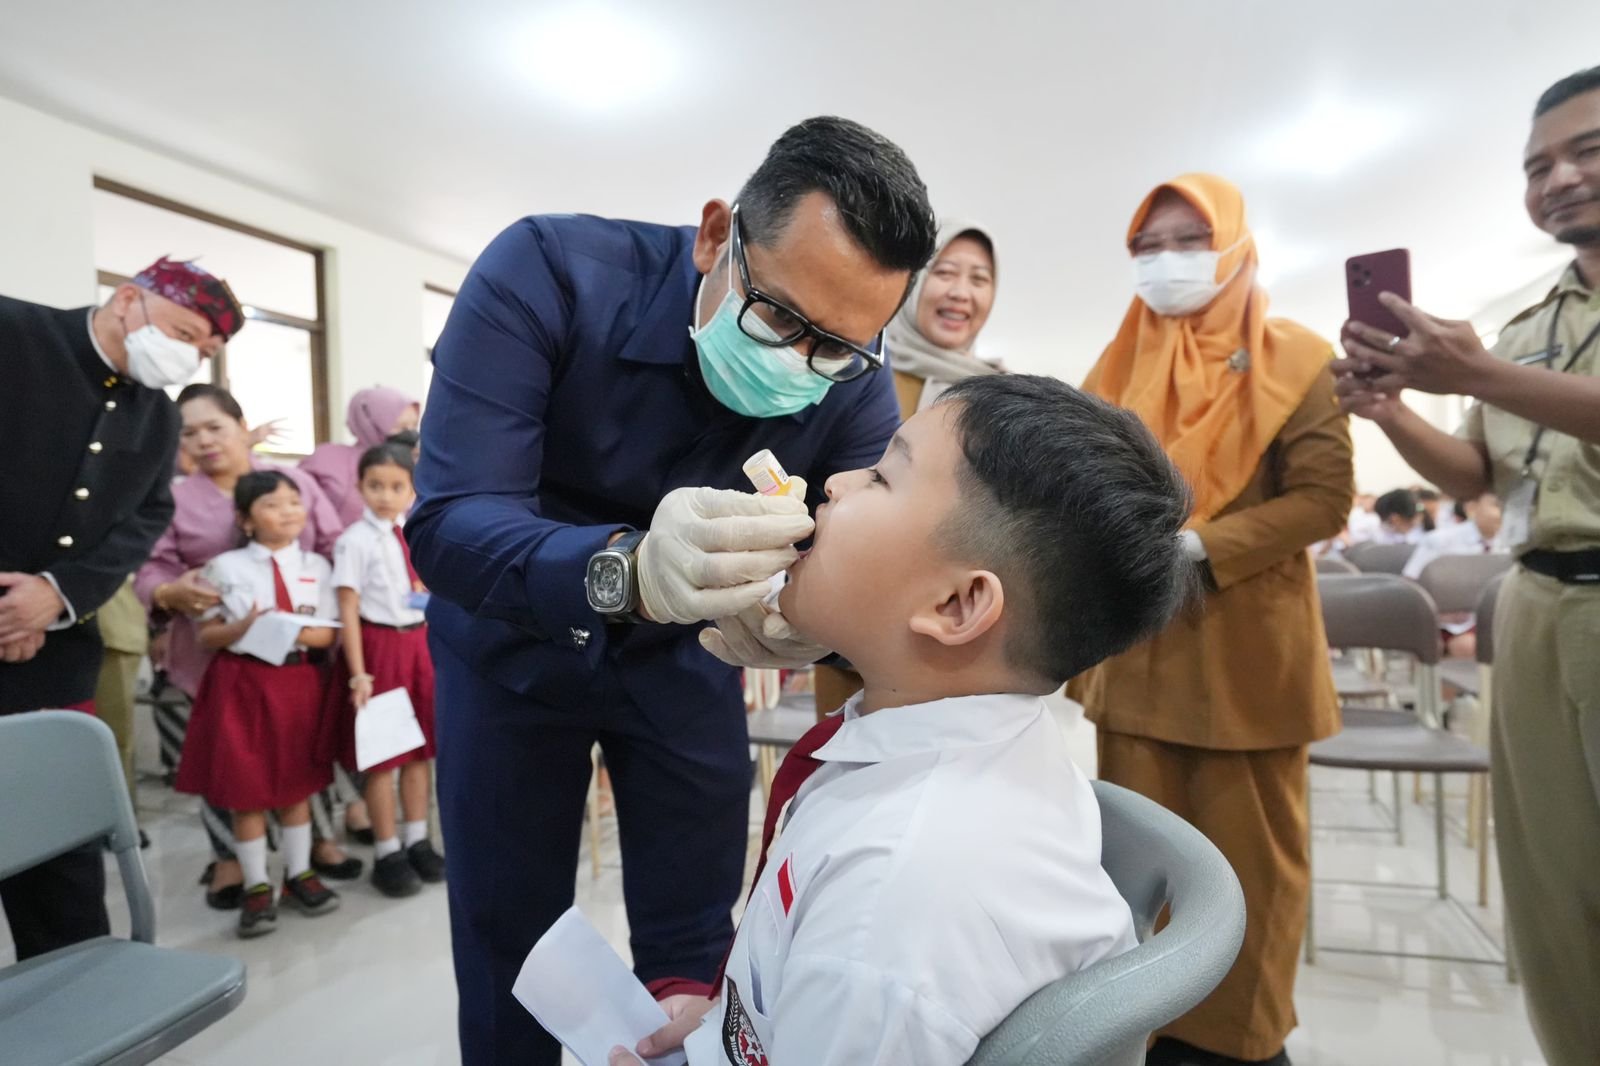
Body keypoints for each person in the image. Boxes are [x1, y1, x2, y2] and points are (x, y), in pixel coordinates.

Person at [408, 115, 937, 1065]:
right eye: (780, 320)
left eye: (835, 347)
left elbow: (859, 551)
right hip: (507, 647)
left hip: (691, 661)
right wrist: (626, 569)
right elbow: (450, 525)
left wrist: (801, 623)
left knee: (697, 956)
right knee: (508, 944)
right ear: (715, 237)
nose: (799, 364)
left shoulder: (855, 380)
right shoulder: (549, 272)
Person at [607, 374, 1188, 1065]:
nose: (835, 483)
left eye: (882, 476)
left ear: (955, 606)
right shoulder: (990, 741)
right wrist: (743, 1020)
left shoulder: (885, 910)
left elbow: (862, 980)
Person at [1333, 67, 1600, 1065]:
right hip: (1533, 602)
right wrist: (1390, 410)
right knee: (1554, 890)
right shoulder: (1533, 328)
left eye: (1587, 151)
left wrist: (1476, 371)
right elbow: (1477, 473)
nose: (1559, 179)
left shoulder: (1500, 353)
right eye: (1537, 166)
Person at [1072, 174, 1354, 1066]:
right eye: (1147, 246)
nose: (1167, 261)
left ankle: (1243, 1039)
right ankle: (1142, 1027)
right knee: (1135, 864)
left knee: (1250, 867)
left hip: (1245, 658)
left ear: (1233, 246)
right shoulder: (1115, 367)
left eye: (1189, 240)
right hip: (1139, 651)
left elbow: (1325, 499)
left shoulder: (1297, 361)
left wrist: (1204, 545)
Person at [0, 256, 239, 960]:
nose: (189, 357)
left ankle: (77, 989)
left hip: (55, 657)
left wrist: (57, 595)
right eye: (185, 334)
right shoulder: (15, 333)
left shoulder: (157, 418)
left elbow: (145, 517)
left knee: (60, 860)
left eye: (204, 351)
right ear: (129, 299)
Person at [136, 383, 359, 908]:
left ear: (241, 426)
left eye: (215, 427)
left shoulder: (293, 481)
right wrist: (168, 594)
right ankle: (231, 859)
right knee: (231, 758)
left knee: (301, 751)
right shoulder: (175, 497)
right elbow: (153, 569)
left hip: (300, 650)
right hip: (214, 652)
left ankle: (315, 847)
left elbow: (332, 545)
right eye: (190, 433)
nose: (204, 441)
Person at [815, 219, 1002, 716]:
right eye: (945, 272)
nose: (961, 292)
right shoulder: (858, 375)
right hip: (852, 641)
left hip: (957, 646)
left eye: (979, 279)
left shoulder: (1002, 399)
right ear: (913, 282)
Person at [177, 470, 343, 938]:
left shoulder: (317, 566)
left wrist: (285, 628)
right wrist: (244, 627)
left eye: (294, 501)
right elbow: (208, 635)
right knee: (245, 788)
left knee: (296, 784)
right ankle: (256, 885)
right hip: (242, 683)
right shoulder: (224, 568)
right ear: (245, 520)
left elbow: (326, 633)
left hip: (296, 681)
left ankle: (299, 874)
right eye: (272, 504)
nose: (288, 511)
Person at [328, 443, 443, 898]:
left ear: (412, 489)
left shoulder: (413, 532)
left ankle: (417, 839)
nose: (386, 496)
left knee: (418, 752)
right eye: (375, 486)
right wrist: (359, 673)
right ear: (360, 487)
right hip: (379, 649)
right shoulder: (354, 541)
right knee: (383, 757)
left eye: (397, 487)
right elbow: (348, 607)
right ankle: (387, 849)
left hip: (419, 644)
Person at [299, 387, 422, 528]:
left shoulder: (412, 465)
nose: (410, 433)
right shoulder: (325, 459)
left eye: (413, 426)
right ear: (370, 424)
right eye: (401, 427)